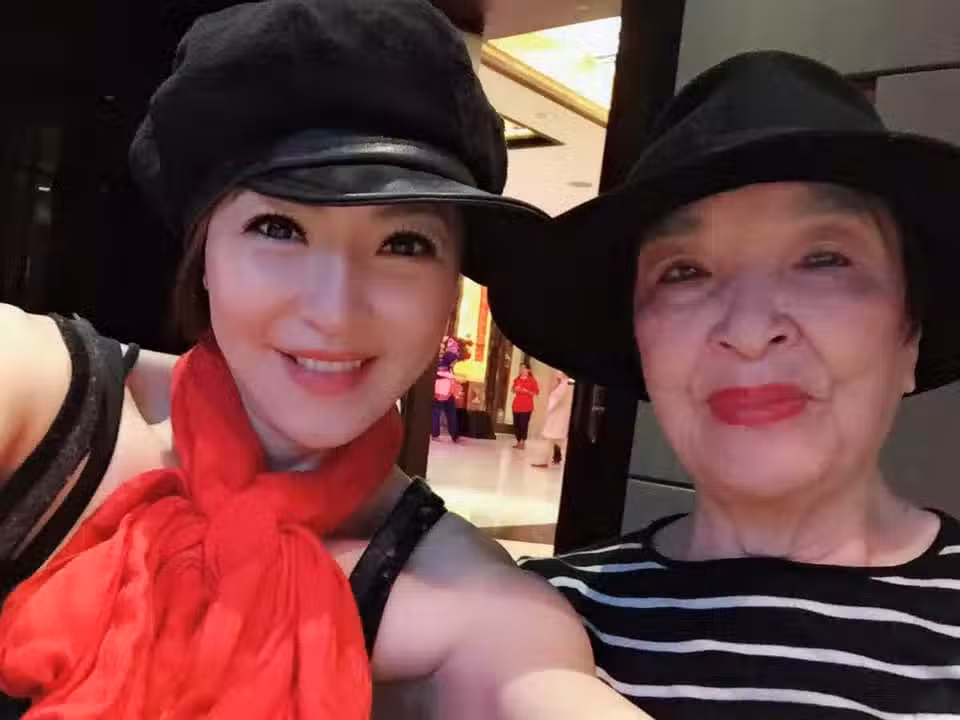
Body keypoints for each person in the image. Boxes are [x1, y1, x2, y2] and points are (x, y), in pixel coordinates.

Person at [0, 1, 649, 719]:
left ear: (453, 286)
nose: (334, 310)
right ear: (204, 255)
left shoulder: (472, 601)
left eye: (405, 243)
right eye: (279, 227)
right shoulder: (36, 400)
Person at [489, 50, 960, 718]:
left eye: (823, 258)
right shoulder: (531, 630)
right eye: (684, 271)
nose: (747, 329)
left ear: (910, 334)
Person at [531, 371, 572, 468]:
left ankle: (546, 461)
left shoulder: (564, 385)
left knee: (556, 440)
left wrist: (548, 409)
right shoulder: (563, 385)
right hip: (556, 418)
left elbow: (555, 400)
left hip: (558, 418)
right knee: (553, 440)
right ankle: (545, 461)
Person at [432, 337, 461, 442]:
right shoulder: (446, 357)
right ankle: (453, 434)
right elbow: (454, 354)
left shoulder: (434, 355)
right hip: (443, 386)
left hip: (440, 387)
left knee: (438, 411)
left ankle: (437, 434)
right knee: (446, 411)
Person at [510, 364, 539, 449]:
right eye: (520, 368)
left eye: (523, 368)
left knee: (523, 425)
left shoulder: (532, 380)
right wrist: (515, 389)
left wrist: (526, 391)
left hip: (526, 406)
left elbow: (536, 392)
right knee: (516, 424)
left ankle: (522, 442)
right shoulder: (517, 379)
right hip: (516, 405)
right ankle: (518, 441)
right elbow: (512, 390)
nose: (521, 370)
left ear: (528, 370)